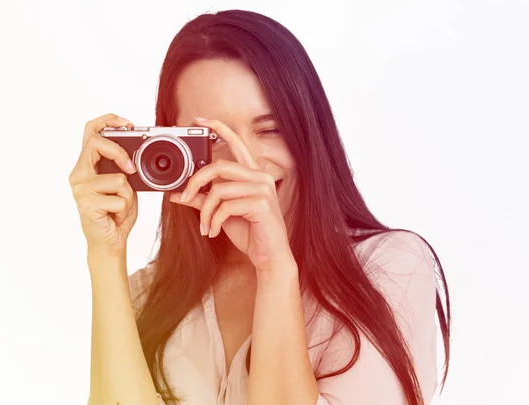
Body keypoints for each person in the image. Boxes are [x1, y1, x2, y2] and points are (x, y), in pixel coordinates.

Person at [69, 9, 451, 405]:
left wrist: (273, 267)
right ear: (171, 147)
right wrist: (105, 256)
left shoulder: (388, 268)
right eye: (210, 136)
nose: (243, 162)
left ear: (308, 134)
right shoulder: (149, 295)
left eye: (269, 130)